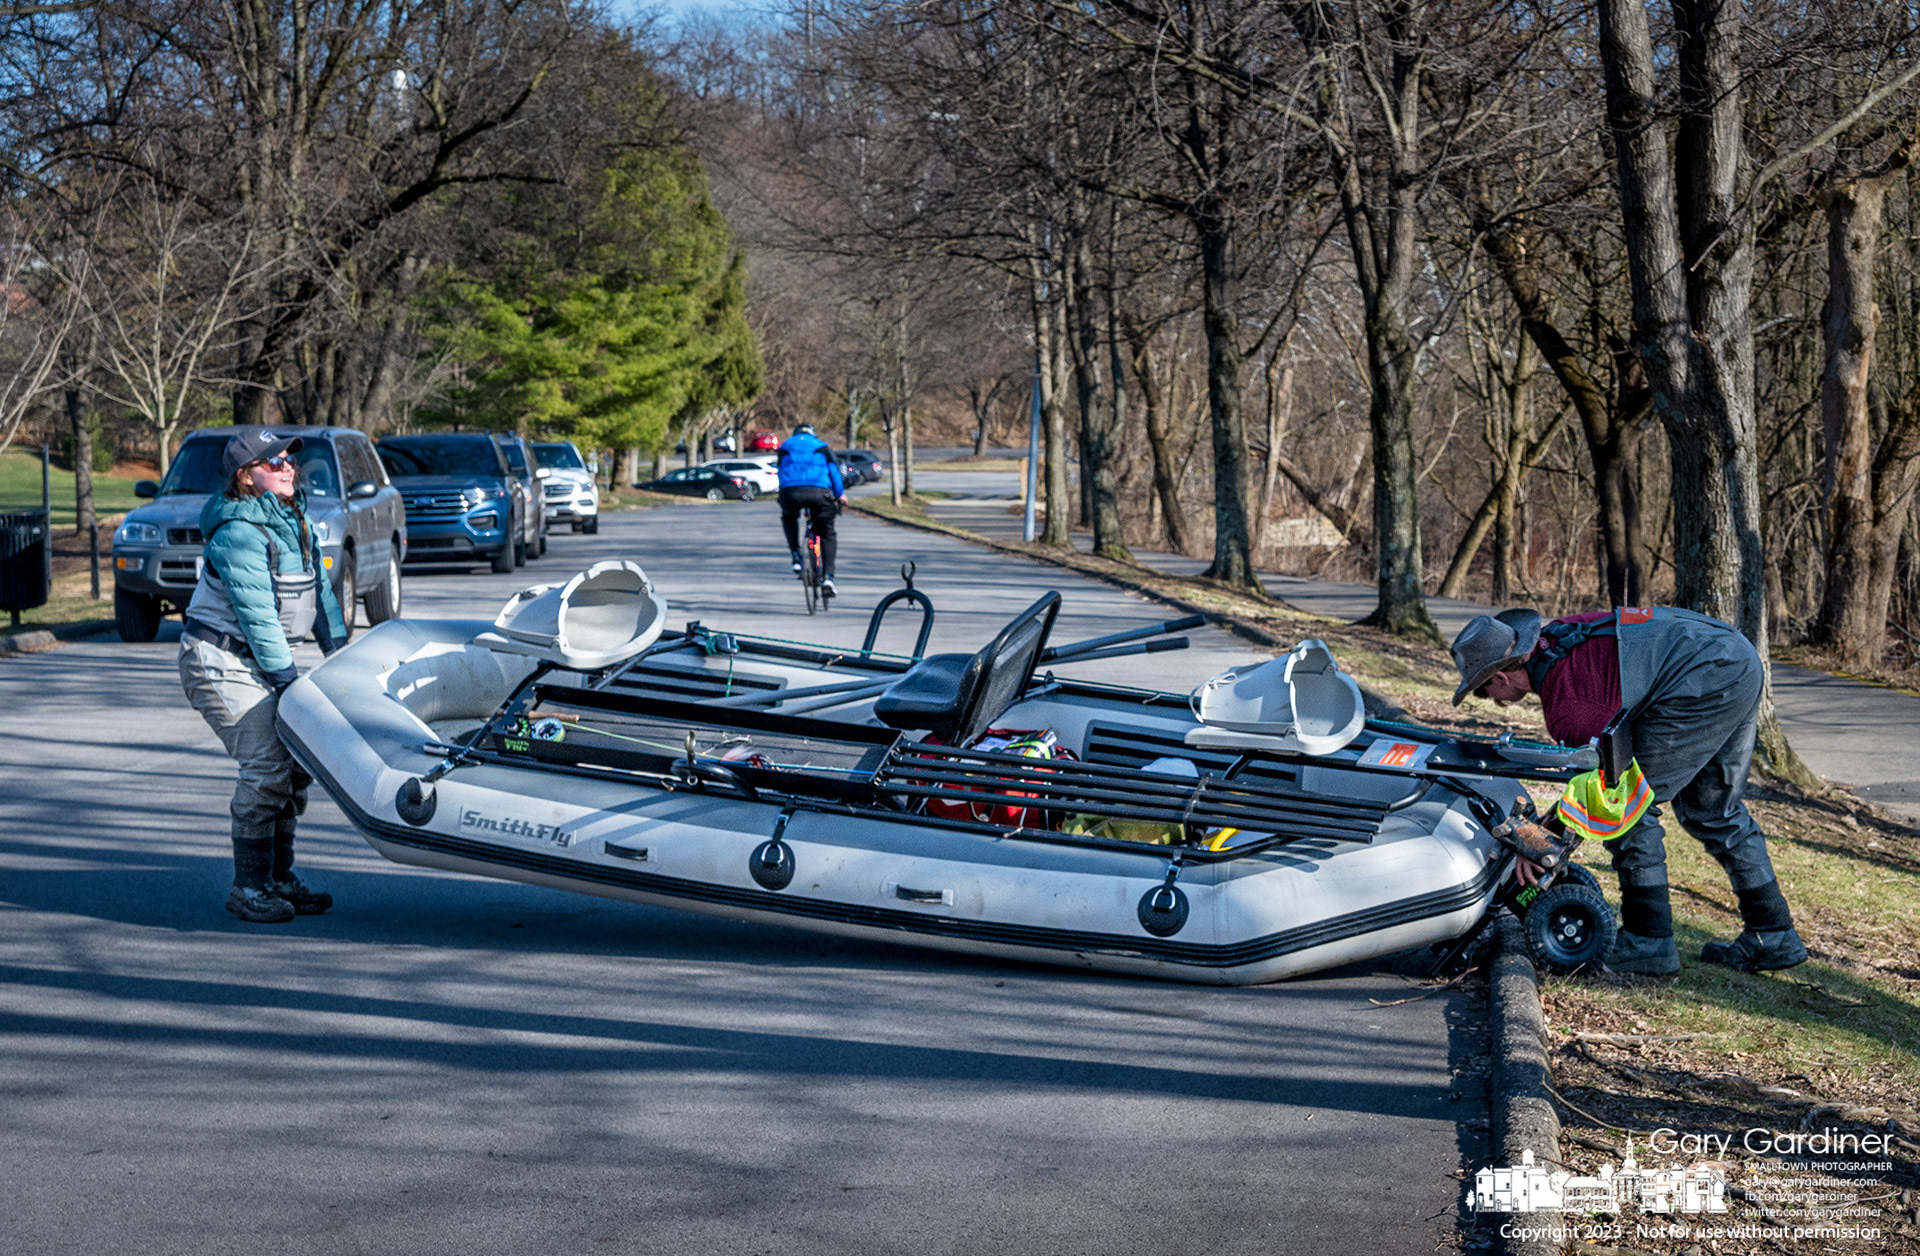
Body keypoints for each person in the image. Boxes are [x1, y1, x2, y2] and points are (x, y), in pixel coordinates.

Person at [1452, 605, 1806, 975]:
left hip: (1704, 674)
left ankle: (1648, 940)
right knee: (1712, 809)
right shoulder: (1557, 637)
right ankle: (1773, 933)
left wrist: (1539, 843)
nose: (1488, 700)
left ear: (1503, 678)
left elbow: (1603, 792)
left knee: (1627, 805)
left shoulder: (1571, 704)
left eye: (1483, 689)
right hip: (1731, 654)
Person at [178, 428, 350, 924]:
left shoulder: (295, 522)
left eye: (289, 460)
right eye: (273, 462)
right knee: (269, 764)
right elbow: (258, 618)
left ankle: (278, 877)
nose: (288, 467)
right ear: (245, 477)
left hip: (261, 660)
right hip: (220, 661)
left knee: (296, 766)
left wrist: (340, 655)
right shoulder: (238, 534)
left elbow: (322, 597)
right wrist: (289, 682)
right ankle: (248, 886)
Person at [776, 422, 846, 596]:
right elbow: (833, 472)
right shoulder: (822, 447)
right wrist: (841, 495)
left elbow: (781, 470)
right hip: (818, 492)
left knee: (789, 518)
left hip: (790, 492)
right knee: (827, 533)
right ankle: (828, 578)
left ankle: (796, 556)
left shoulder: (785, 446)